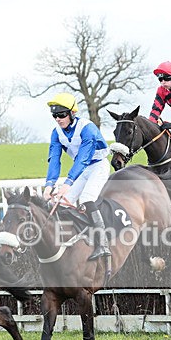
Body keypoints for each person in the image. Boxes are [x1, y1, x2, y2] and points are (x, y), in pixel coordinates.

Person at [44, 92, 111, 260]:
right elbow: (54, 159)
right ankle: (79, 235)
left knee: (87, 198)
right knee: (62, 203)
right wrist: (49, 185)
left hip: (97, 166)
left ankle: (103, 244)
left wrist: (68, 182)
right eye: (54, 115)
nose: (58, 119)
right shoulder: (56, 133)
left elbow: (83, 157)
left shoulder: (87, 128)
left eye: (61, 114)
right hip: (82, 170)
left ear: (72, 113)